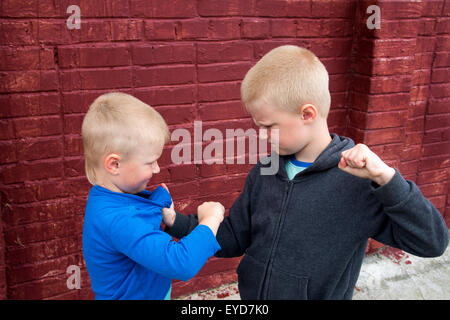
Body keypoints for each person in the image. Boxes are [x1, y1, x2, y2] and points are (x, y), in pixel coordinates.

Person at [163, 45, 449, 300]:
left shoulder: (358, 183)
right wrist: (177, 222)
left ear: (307, 114)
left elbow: (432, 242)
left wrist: (388, 179)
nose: (262, 137)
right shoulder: (265, 171)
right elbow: (233, 237)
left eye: (268, 126)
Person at [81, 92, 224, 300]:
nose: (157, 169)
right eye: (150, 162)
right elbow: (181, 263)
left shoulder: (111, 197)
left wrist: (159, 206)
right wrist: (211, 219)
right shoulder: (118, 219)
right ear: (115, 164)